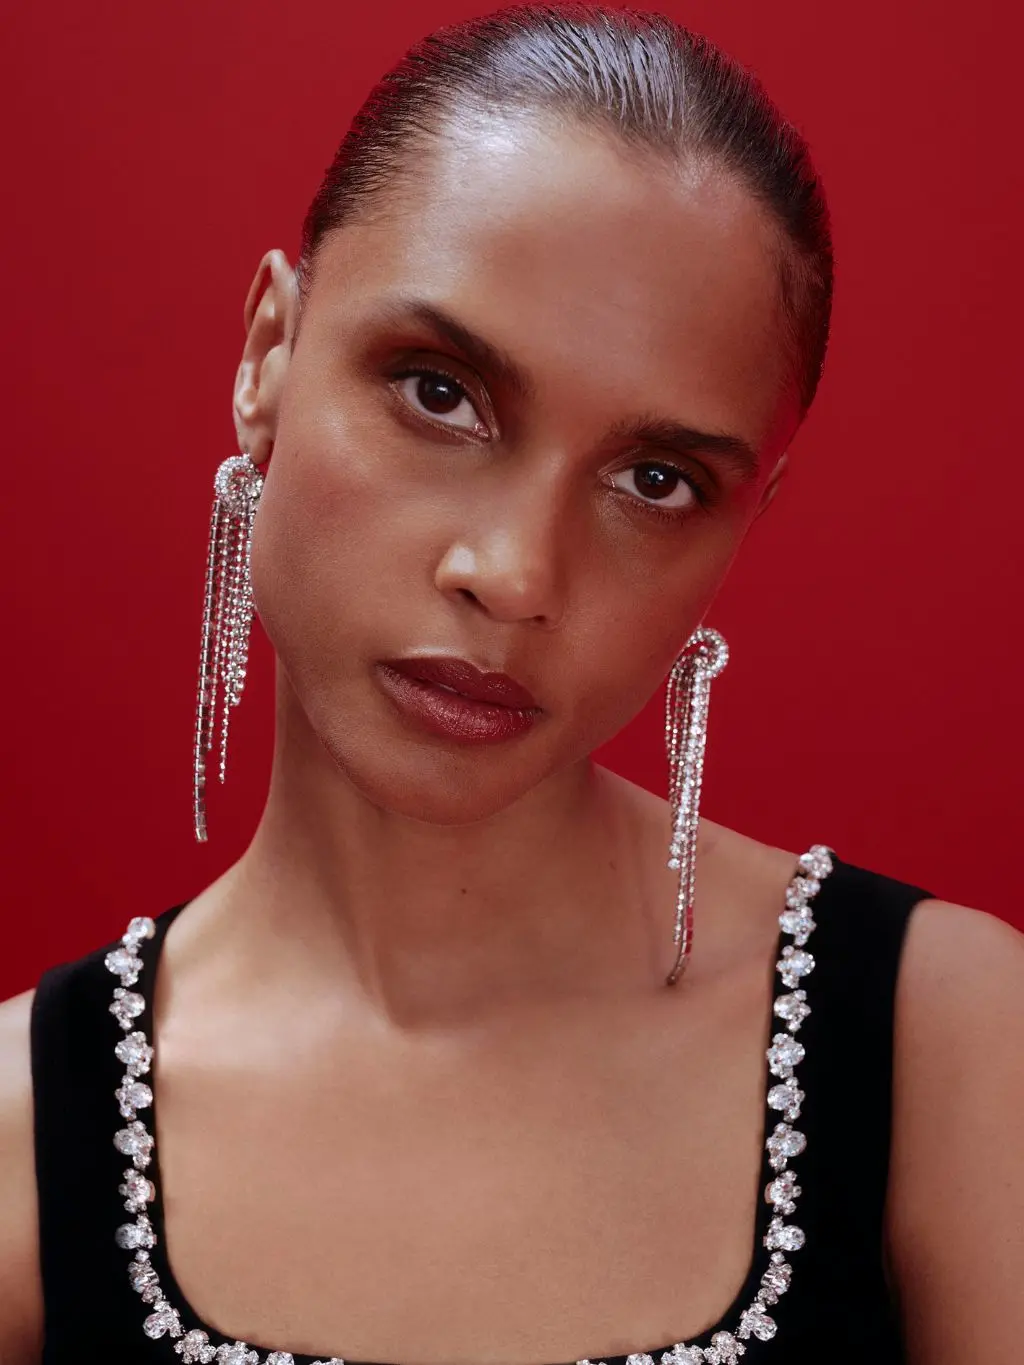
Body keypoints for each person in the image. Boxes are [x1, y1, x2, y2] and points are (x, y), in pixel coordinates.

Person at [1, 6, 1021, 1363]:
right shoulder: (19, 1137)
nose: (515, 574)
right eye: (438, 392)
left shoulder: (952, 1045)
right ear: (269, 355)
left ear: (744, 523)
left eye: (656, 483)